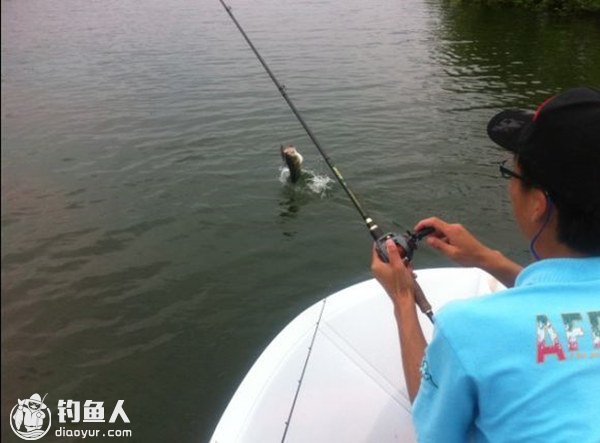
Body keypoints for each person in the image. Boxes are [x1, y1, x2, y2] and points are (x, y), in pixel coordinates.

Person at [371, 86, 600, 442]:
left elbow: (432, 424)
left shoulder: (469, 329)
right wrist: (486, 258)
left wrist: (403, 298)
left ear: (539, 204)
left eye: (513, 175)